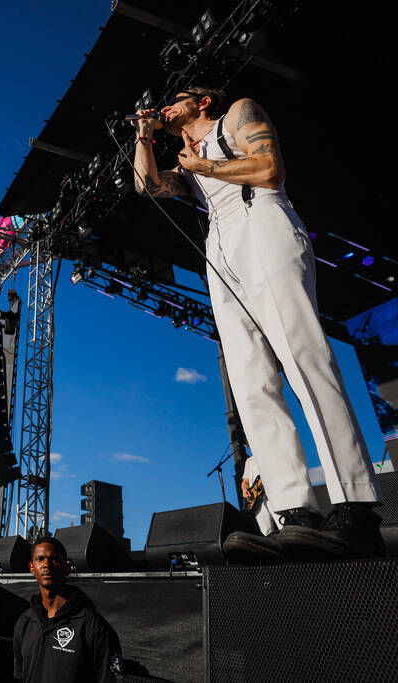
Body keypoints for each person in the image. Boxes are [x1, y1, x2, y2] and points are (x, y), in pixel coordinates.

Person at [132, 87, 384, 560]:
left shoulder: (237, 114)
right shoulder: (189, 156)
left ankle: (356, 506)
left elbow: (269, 170)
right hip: (220, 248)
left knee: (302, 356)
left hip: (262, 221)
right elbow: (148, 186)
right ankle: (294, 510)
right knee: (251, 381)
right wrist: (145, 136)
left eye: (176, 99)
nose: (166, 106)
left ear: (202, 100)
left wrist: (202, 167)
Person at [13, 537, 121, 683]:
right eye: (40, 559)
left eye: (54, 559)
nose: (46, 565)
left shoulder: (93, 626)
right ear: (32, 568)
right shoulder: (24, 622)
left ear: (67, 567)